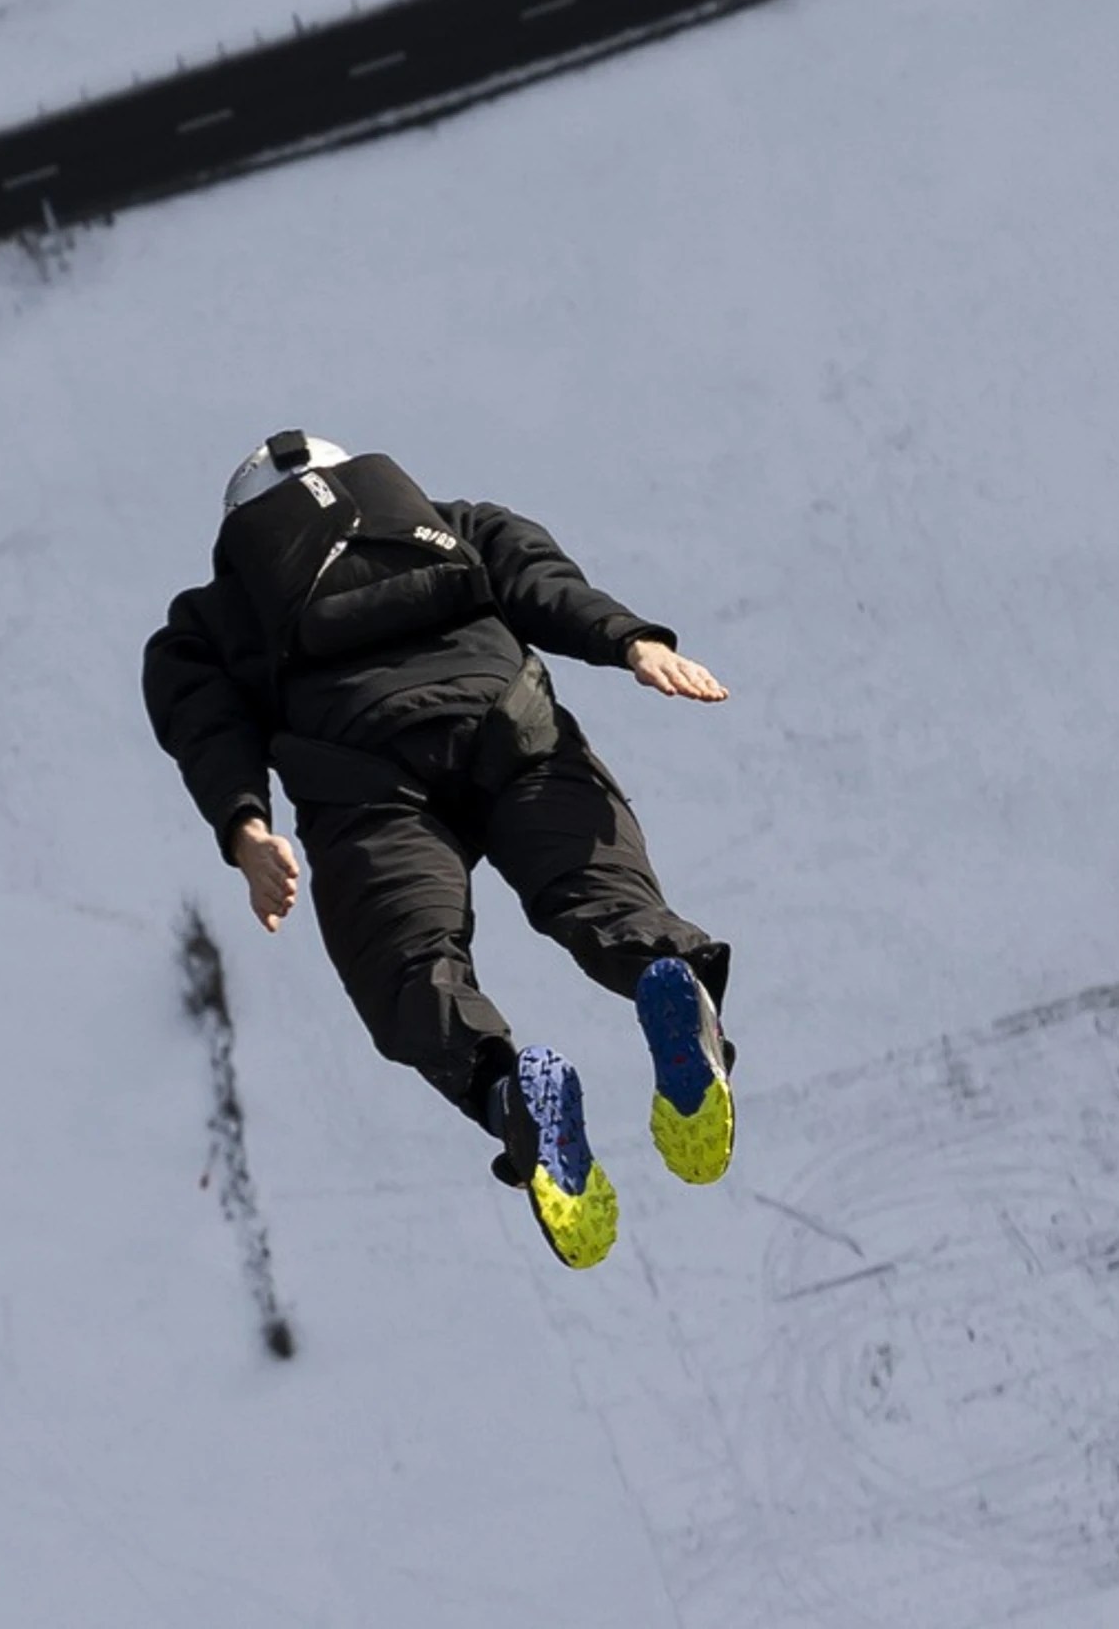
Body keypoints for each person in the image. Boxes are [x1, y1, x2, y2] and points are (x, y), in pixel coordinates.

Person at [143, 431, 736, 1270]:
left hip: (363, 780)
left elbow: (204, 727)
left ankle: (508, 1097)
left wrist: (247, 831)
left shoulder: (208, 619)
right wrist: (634, 642)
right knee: (597, 892)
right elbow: (544, 583)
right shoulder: (455, 524)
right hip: (510, 723)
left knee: (412, 970)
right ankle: (661, 977)